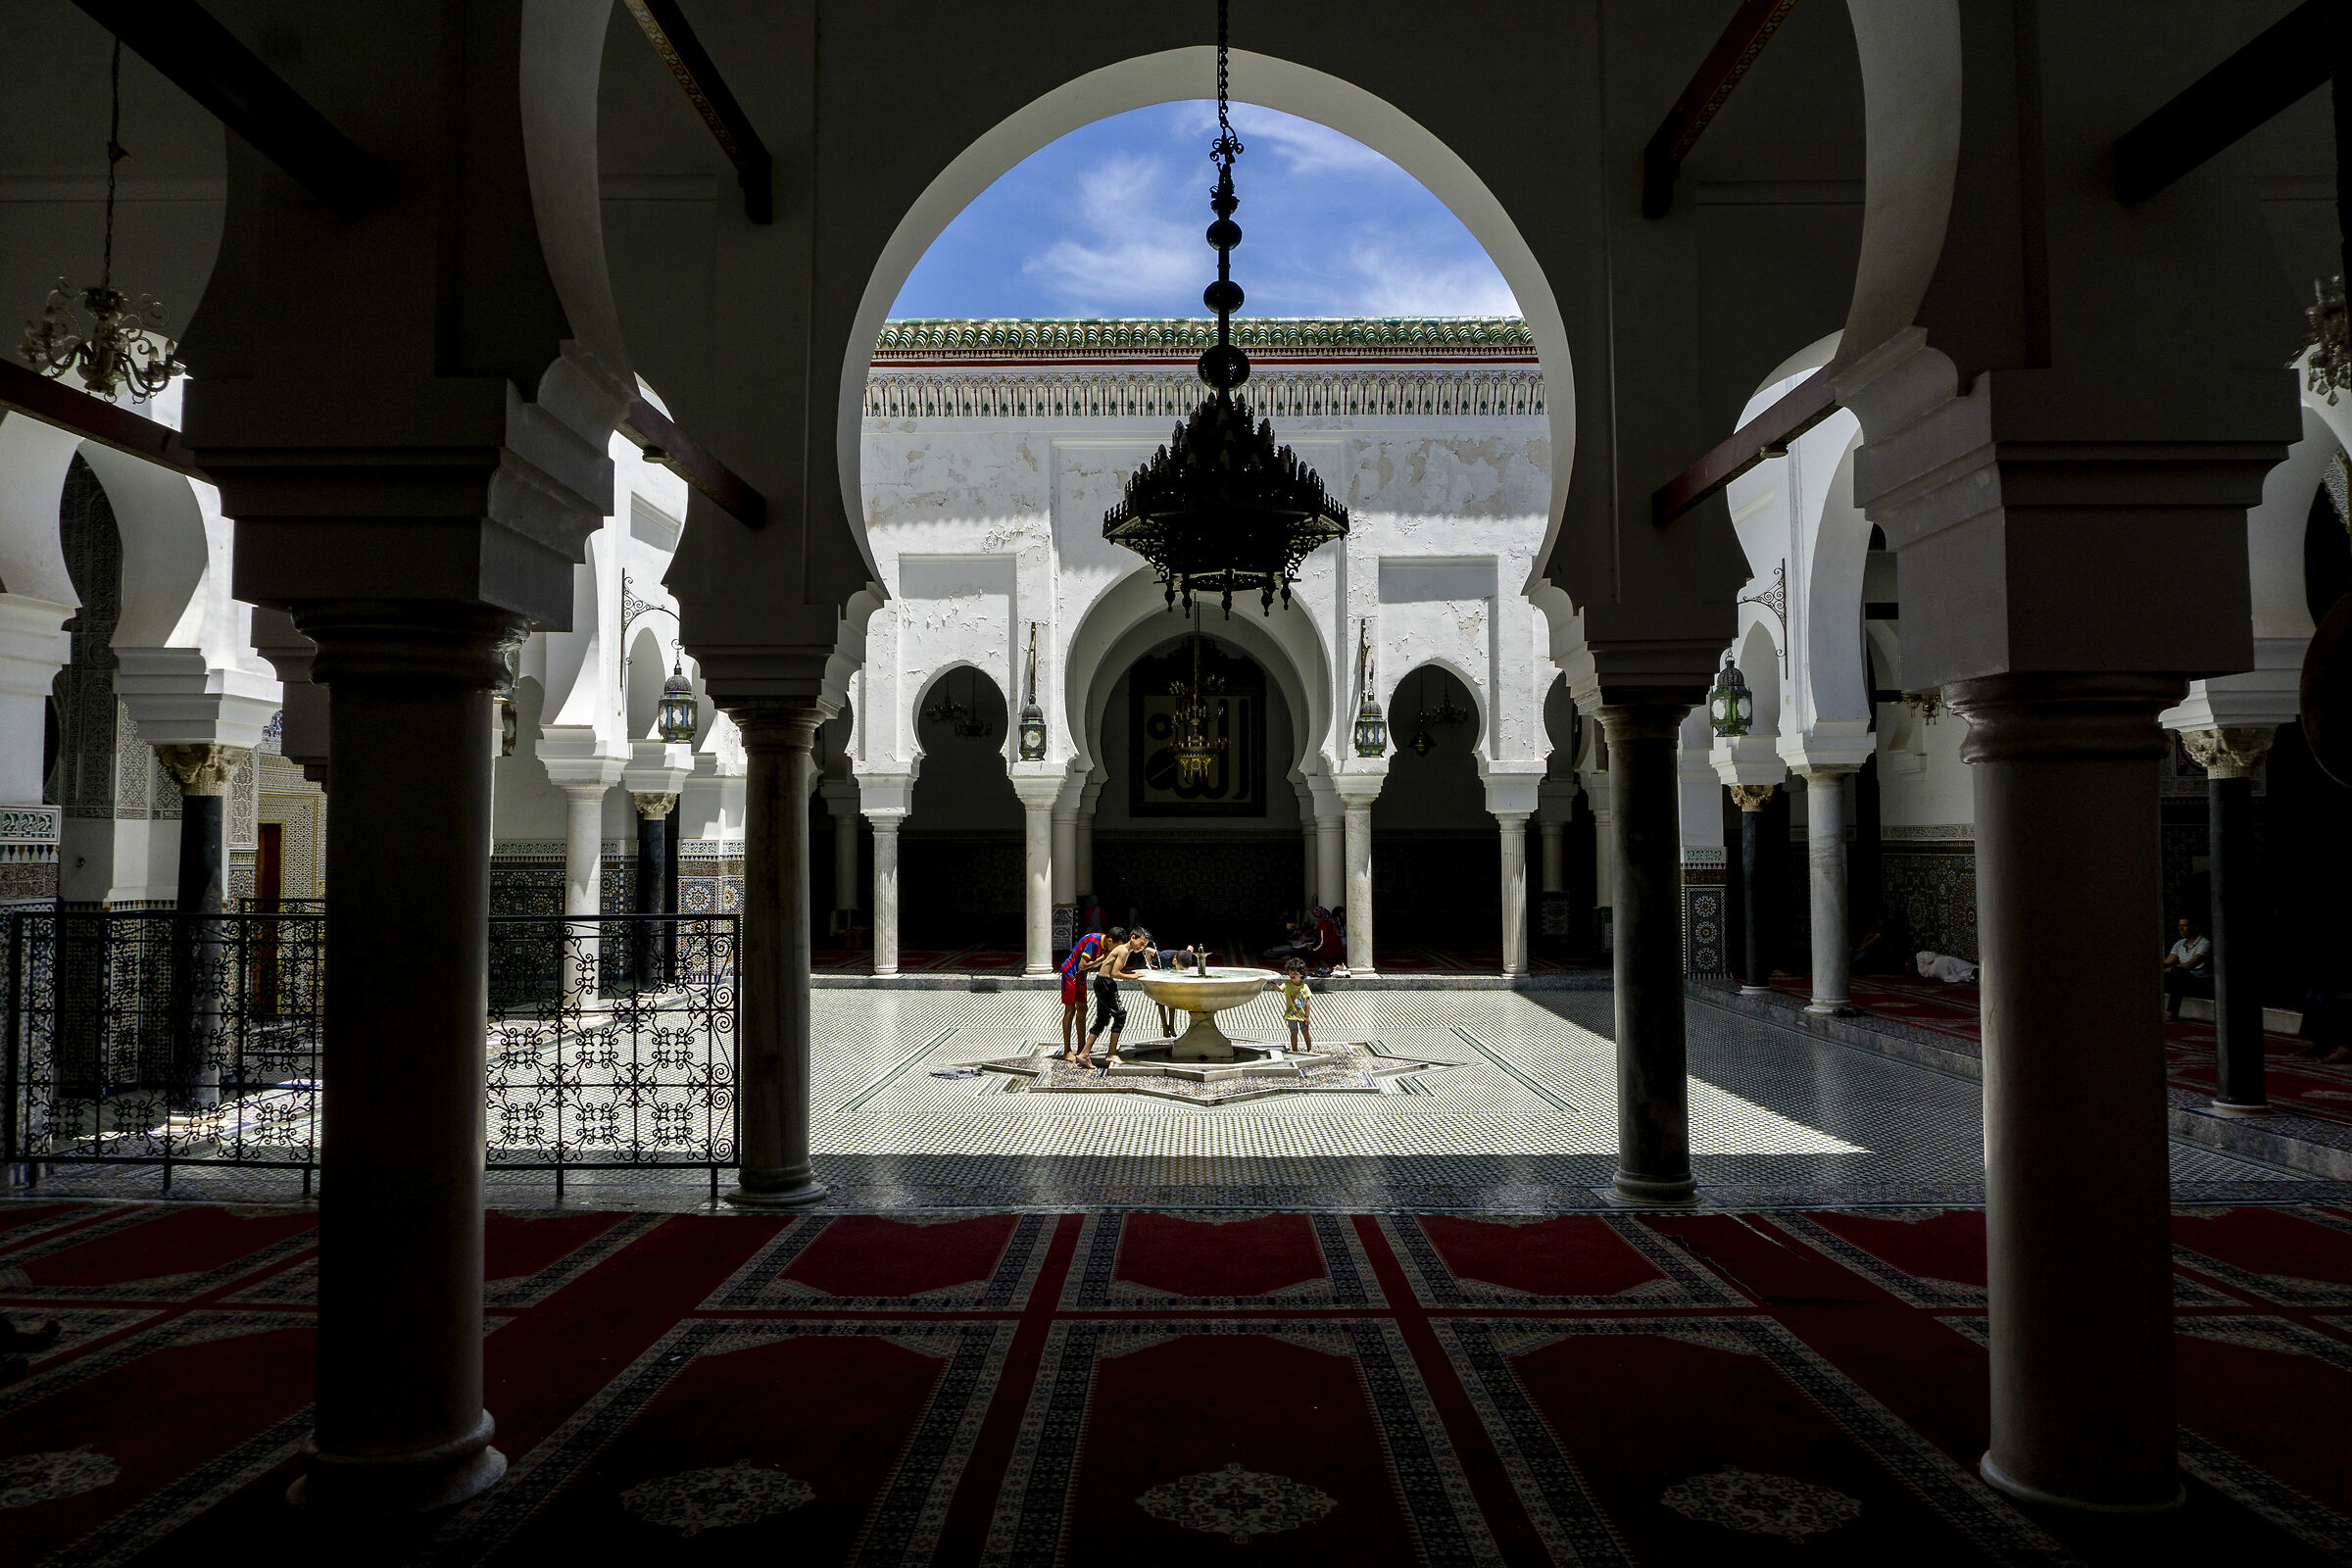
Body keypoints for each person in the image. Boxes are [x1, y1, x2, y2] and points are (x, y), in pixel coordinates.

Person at [1083, 927, 1149, 1067]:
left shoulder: (1124, 950)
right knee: (1120, 1015)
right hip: (1105, 983)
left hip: (1101, 982)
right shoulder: (1124, 951)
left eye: (1145, 946)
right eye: (1141, 943)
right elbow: (1115, 973)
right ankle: (1111, 1053)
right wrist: (1133, 976)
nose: (1142, 947)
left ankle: (1084, 1053)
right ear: (1132, 938)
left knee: (1102, 1019)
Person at [1057, 925, 1107, 1062]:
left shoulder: (1104, 944)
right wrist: (1102, 958)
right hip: (1070, 973)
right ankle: (1067, 1050)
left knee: (1083, 1009)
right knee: (1070, 1010)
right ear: (1110, 941)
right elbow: (1082, 965)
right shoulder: (1093, 941)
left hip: (1081, 976)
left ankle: (1081, 1047)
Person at [2163, 915, 2212, 1021]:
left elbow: (2189, 965)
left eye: (2184, 925)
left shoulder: (2205, 943)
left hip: (2200, 982)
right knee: (2169, 974)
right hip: (2180, 979)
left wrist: (2166, 970)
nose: (2180, 929)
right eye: (2179, 925)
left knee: (2178, 972)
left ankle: (2172, 1012)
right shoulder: (2180, 943)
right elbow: (2167, 961)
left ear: (2195, 928)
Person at [1279, 956, 1313, 1054]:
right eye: (1291, 973)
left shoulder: (1304, 987)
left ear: (1301, 974)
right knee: (1293, 1033)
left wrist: (1307, 1016)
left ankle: (1309, 1049)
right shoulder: (1287, 984)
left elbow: (1307, 1002)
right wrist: (1273, 985)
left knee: (1305, 1033)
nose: (1292, 975)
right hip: (1291, 1015)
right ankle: (1294, 1050)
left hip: (1302, 1015)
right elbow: (1281, 989)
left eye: (1295, 973)